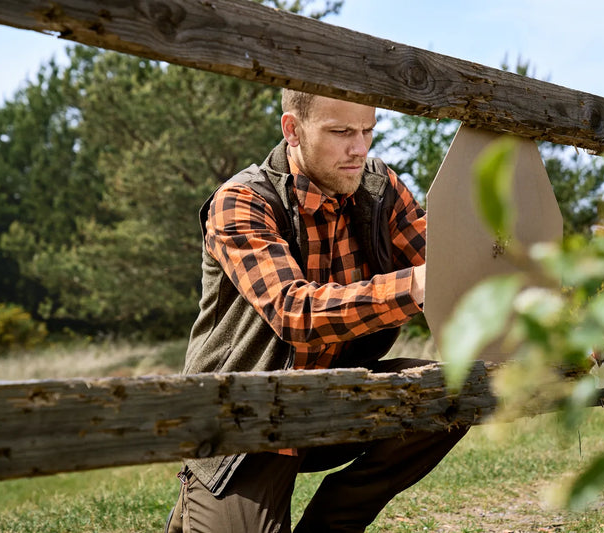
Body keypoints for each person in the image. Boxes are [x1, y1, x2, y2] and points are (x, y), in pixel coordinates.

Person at [165, 89, 468, 533]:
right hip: (246, 422)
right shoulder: (241, 202)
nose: (360, 149)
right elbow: (294, 313)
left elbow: (461, 268)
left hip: (339, 401)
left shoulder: (379, 189)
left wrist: (556, 324)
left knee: (456, 389)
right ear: (292, 130)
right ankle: (202, 502)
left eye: (368, 131)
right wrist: (420, 283)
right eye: (341, 132)